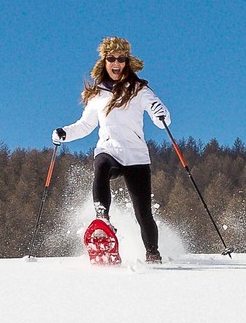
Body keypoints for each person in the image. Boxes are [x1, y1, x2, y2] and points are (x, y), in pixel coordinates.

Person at [53, 37, 171, 264]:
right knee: (101, 165)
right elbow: (85, 125)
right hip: (110, 149)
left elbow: (161, 117)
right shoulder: (97, 94)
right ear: (104, 62)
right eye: (111, 59)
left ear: (127, 62)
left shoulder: (139, 89)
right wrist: (64, 133)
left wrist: (161, 114)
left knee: (143, 213)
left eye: (121, 59)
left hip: (136, 155)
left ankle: (153, 254)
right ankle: (102, 219)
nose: (116, 63)